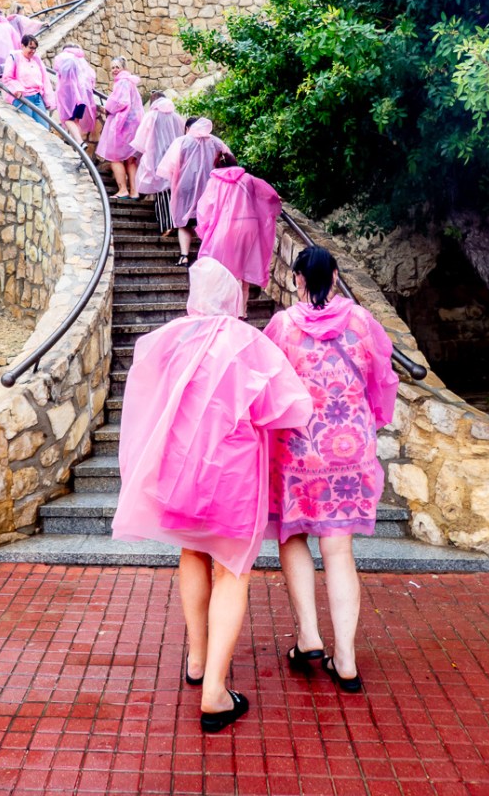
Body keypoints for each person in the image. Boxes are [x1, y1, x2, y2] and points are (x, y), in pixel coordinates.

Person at [112, 257, 313, 733]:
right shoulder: (246, 342)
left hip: (179, 471)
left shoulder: (169, 339)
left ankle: (198, 660)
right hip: (233, 476)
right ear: (233, 294)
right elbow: (286, 407)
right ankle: (215, 693)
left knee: (191, 553)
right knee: (232, 573)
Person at [264, 245, 399, 693]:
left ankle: (308, 638)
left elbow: (267, 385)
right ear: (336, 276)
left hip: (299, 449)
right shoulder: (362, 321)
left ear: (298, 280)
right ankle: (345, 659)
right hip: (350, 449)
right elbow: (383, 379)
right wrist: (367, 421)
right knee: (339, 551)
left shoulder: (283, 326)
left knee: (293, 536)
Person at [196, 153, 282, 315]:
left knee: (222, 269)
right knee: (243, 268)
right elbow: (270, 195)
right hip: (249, 226)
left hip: (225, 227)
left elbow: (205, 208)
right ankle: (241, 312)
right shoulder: (248, 178)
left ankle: (225, 310)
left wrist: (205, 228)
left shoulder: (214, 181)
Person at [156, 116, 229, 267]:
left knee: (184, 222)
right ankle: (209, 257)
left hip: (185, 187)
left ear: (188, 128)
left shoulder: (182, 141)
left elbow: (169, 166)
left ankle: (184, 256)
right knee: (209, 222)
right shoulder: (216, 142)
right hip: (210, 188)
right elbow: (229, 162)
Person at [131, 91, 185, 234]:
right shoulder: (177, 117)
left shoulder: (151, 116)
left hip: (156, 156)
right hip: (175, 156)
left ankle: (167, 224)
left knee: (161, 190)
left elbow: (141, 140)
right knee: (172, 188)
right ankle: (177, 221)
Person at [96, 56, 144, 200]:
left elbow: (121, 102)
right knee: (130, 159)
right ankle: (134, 191)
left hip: (123, 125)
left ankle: (123, 189)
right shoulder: (130, 82)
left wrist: (107, 108)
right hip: (134, 125)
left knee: (115, 157)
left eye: (117, 67)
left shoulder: (122, 82)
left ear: (123, 68)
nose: (114, 70)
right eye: (112, 68)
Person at [1, 34, 56, 127]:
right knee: (29, 126)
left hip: (37, 96)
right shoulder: (14, 57)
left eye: (35, 48)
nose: (33, 51)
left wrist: (49, 99)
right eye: (30, 48)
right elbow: (7, 77)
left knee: (44, 126)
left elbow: (45, 79)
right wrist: (17, 89)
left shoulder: (36, 59)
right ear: (23, 46)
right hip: (23, 97)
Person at [53, 45, 97, 147]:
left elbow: (57, 68)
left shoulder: (64, 56)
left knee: (67, 119)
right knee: (76, 121)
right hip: (83, 96)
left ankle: (80, 143)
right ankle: (79, 147)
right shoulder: (82, 60)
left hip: (69, 93)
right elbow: (92, 76)